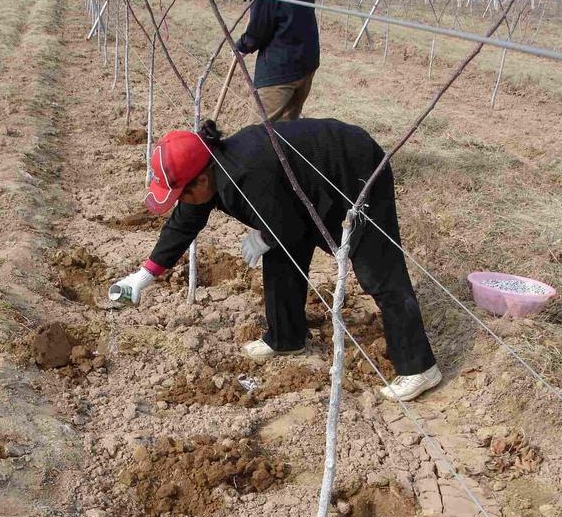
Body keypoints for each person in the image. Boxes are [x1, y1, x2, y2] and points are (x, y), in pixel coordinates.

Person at [110, 119, 442, 403]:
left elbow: (288, 224)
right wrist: (141, 278)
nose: (180, 201)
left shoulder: (251, 173)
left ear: (201, 178)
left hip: (352, 169)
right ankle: (286, 337)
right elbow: (183, 223)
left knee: (377, 268)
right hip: (301, 192)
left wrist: (263, 236)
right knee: (282, 250)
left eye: (181, 192)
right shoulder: (208, 173)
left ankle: (420, 368)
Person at [235, 0, 321, 123]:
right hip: (306, 61)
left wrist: (242, 46)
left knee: (257, 133)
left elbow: (259, 30)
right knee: (287, 129)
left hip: (279, 69)